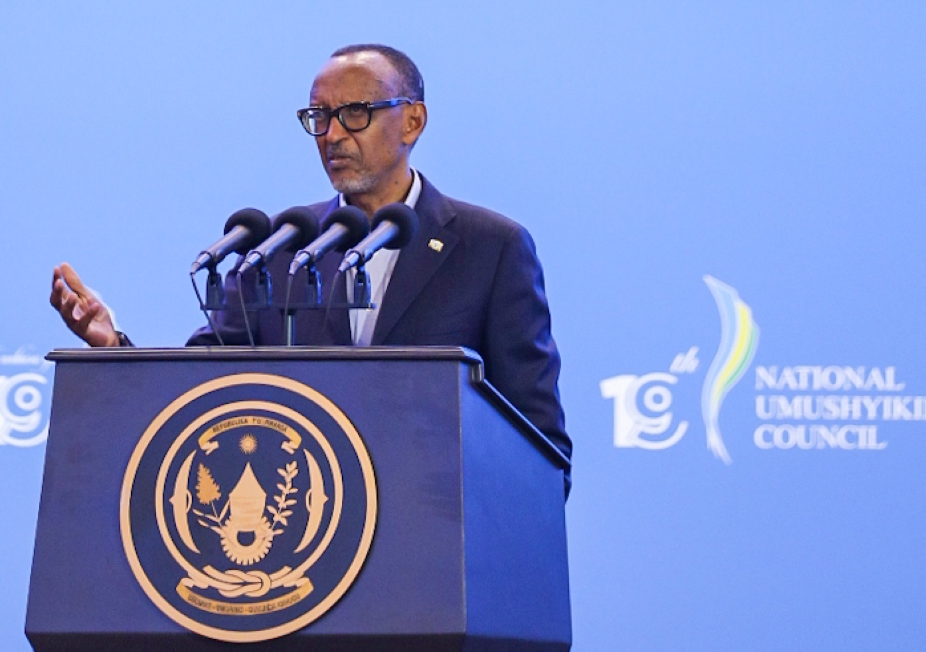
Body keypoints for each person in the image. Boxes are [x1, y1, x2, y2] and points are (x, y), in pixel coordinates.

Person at [51, 44, 571, 492]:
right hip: (299, 540)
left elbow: (539, 442)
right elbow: (200, 393)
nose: (332, 134)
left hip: (435, 539)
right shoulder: (279, 247)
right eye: (319, 117)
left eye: (355, 113)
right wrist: (112, 347)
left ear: (413, 121)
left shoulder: (490, 248)